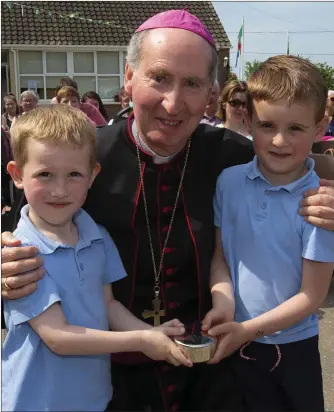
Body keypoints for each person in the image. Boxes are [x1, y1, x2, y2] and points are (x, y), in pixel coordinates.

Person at [2, 9, 334, 412]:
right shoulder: (80, 159)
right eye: (159, 78)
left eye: (192, 83)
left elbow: (307, 163)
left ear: (212, 93)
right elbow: (21, 227)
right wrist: (7, 263)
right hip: (107, 376)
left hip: (211, 370)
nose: (173, 102)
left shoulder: (234, 155)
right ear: (128, 78)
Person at [2, 105, 191, 412]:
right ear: (17, 175)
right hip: (37, 403)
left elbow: (108, 305)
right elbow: (58, 337)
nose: (60, 190)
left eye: (74, 174)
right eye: (45, 175)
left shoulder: (97, 235)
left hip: (93, 399)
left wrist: (150, 332)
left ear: (93, 176)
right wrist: (141, 342)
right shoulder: (22, 253)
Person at [205, 55, 334, 411]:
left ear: (321, 124)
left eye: (295, 128)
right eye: (267, 125)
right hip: (235, 342)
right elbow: (220, 259)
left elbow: (312, 296)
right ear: (248, 119)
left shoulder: (319, 204)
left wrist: (248, 329)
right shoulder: (228, 183)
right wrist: (223, 304)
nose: (279, 141)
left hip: (293, 350)